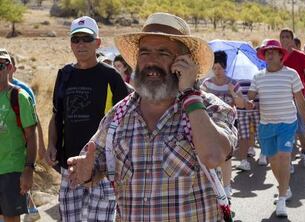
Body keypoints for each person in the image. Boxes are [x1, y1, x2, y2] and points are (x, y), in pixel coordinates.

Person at [66, 12, 238, 221]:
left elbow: (213, 155)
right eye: (144, 52)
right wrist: (87, 172)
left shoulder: (210, 109)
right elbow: (94, 162)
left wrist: (190, 95)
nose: (151, 61)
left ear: (184, 62)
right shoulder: (119, 116)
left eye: (163, 53)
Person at [45, 16, 128, 221]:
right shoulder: (64, 74)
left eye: (86, 39)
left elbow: (127, 120)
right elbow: (57, 114)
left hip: (102, 167)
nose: (81, 44)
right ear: (71, 43)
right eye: (76, 39)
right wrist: (51, 144)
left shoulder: (111, 77)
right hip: (70, 165)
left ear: (97, 42)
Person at [248, 39, 305, 217]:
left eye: (273, 52)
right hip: (266, 125)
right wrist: (243, 100)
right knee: (274, 161)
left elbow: (300, 101)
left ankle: (282, 198)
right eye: (266, 52)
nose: (269, 54)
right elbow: (251, 97)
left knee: (284, 158)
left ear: (281, 56)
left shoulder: (291, 74)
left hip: (287, 123)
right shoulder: (258, 76)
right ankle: (285, 187)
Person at [200, 50, 245, 200]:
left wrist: (233, 93)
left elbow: (241, 104)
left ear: (225, 67)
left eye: (220, 68)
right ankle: (215, 188)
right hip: (209, 125)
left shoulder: (233, 83)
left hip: (228, 125)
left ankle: (227, 188)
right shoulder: (206, 84)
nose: (217, 71)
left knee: (226, 157)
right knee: (212, 157)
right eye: (214, 68)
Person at [0, 49, 38, 222]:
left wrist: (28, 169)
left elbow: (31, 135)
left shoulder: (19, 96)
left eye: (1, 65)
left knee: (11, 218)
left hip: (11, 169)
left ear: (9, 68)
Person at [280, 29, 305, 167]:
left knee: (301, 128)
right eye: (282, 37)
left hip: (299, 97)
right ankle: (290, 159)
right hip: (284, 99)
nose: (285, 39)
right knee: (288, 130)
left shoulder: (300, 56)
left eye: (287, 37)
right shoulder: (277, 57)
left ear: (292, 40)